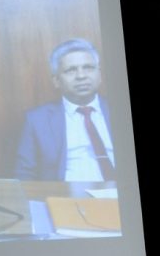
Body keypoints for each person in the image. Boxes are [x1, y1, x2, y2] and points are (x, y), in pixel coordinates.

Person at [14, 38, 116, 182]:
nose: (81, 76)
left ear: (99, 75)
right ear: (56, 81)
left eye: (88, 67)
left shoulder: (122, 112)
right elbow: (24, 174)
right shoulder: (37, 120)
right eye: (71, 70)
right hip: (65, 193)